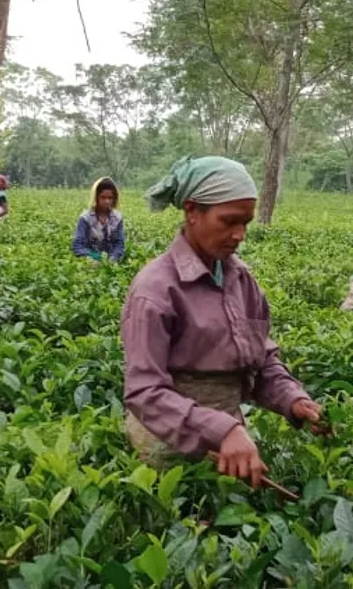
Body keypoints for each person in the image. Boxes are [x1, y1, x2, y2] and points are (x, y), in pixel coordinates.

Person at [121, 156, 323, 489]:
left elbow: (262, 358)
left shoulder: (241, 280)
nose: (239, 234)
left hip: (232, 435)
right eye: (229, 221)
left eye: (246, 222)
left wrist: (292, 398)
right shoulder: (155, 289)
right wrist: (221, 429)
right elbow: (144, 392)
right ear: (191, 211)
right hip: (165, 444)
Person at [73, 177, 126, 264]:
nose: (107, 201)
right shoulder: (85, 218)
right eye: (103, 197)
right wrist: (96, 257)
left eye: (110, 198)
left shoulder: (117, 218)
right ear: (96, 197)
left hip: (112, 262)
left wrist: (113, 258)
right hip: (90, 260)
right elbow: (78, 246)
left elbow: (120, 243)